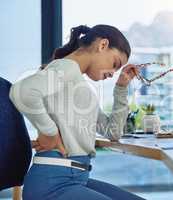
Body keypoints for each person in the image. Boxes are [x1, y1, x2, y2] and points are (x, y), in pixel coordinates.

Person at [9, 24, 145, 200]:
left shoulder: (80, 87)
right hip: (53, 183)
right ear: (102, 45)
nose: (112, 73)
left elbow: (113, 132)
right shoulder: (65, 68)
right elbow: (22, 91)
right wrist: (49, 132)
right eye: (114, 64)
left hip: (75, 179)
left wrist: (120, 88)